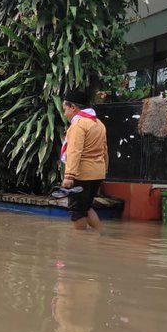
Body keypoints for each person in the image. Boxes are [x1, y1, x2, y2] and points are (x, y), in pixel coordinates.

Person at [60, 90, 108, 231]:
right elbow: (105, 150)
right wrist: (104, 169)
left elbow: (74, 151)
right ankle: (101, 236)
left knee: (77, 212)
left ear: (73, 107)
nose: (65, 114)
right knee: (86, 207)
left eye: (65, 109)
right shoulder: (98, 123)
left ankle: (79, 242)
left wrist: (69, 176)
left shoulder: (79, 124)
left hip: (82, 175)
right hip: (97, 173)